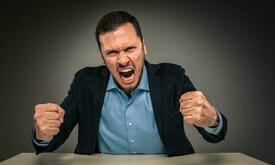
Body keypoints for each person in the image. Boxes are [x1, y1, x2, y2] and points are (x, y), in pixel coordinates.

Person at [32, 11, 227, 156]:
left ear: (144, 46)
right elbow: (52, 138)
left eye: (130, 48)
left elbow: (215, 135)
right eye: (112, 52)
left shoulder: (173, 77)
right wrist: (43, 133)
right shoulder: (85, 82)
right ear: (102, 56)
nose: (123, 60)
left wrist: (212, 119)